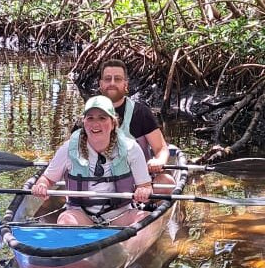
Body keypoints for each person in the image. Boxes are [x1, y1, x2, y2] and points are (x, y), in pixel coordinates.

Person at [31, 96, 153, 227]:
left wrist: (144, 191)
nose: (96, 124)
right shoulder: (68, 149)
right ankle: (77, 244)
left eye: (102, 118)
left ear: (113, 123)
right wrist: (42, 185)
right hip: (80, 216)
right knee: (65, 220)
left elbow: (145, 185)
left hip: (122, 215)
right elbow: (47, 179)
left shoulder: (131, 148)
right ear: (84, 122)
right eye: (90, 118)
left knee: (145, 219)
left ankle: (129, 246)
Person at [97, 58, 175, 187]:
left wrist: (159, 161)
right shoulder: (89, 114)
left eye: (117, 79)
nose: (112, 83)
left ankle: (146, 205)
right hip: (98, 182)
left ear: (125, 85)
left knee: (166, 182)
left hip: (138, 181)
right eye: (107, 79)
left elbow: (160, 148)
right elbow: (72, 149)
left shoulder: (141, 113)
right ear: (101, 84)